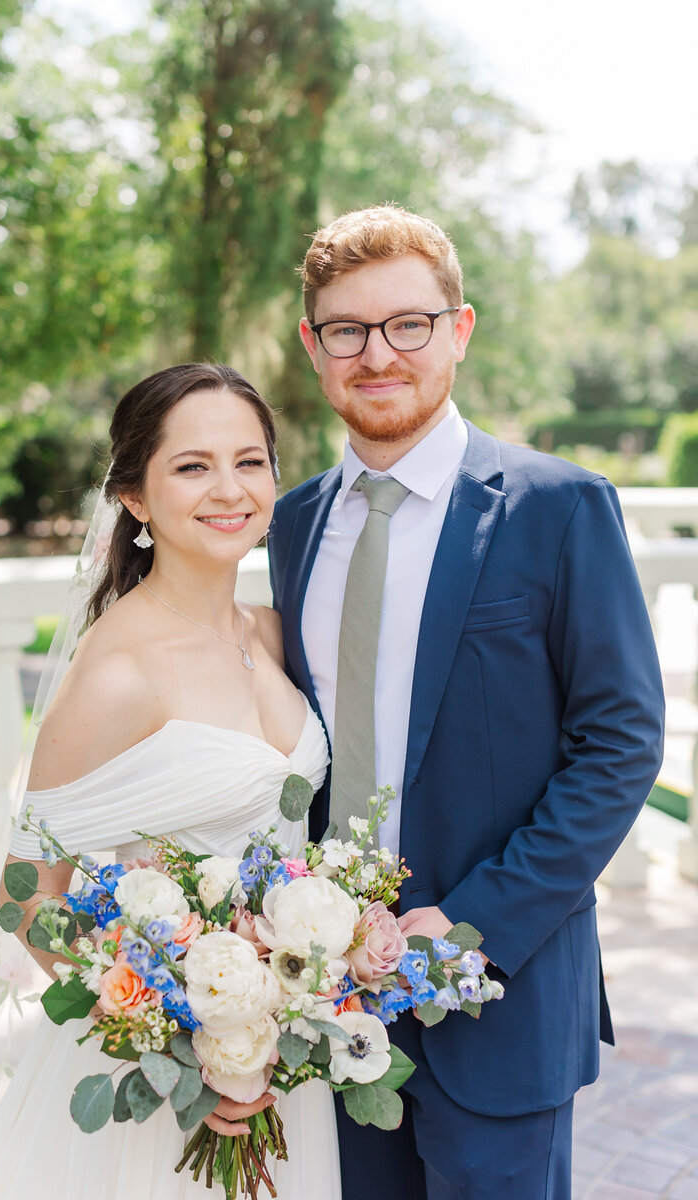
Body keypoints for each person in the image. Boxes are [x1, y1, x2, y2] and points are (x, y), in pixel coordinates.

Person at [267, 205, 665, 1200]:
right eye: (346, 330)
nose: (377, 353)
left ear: (457, 330)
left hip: (500, 995)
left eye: (407, 323)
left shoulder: (557, 507)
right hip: (324, 1001)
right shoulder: (290, 526)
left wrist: (472, 924)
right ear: (313, 349)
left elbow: (618, 744)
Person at [0, 363, 341, 1199]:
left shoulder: (273, 632)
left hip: (284, 1061)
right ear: (135, 499)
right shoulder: (116, 671)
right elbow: (25, 894)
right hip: (162, 1098)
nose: (230, 488)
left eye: (251, 461)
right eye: (192, 466)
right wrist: (175, 1041)